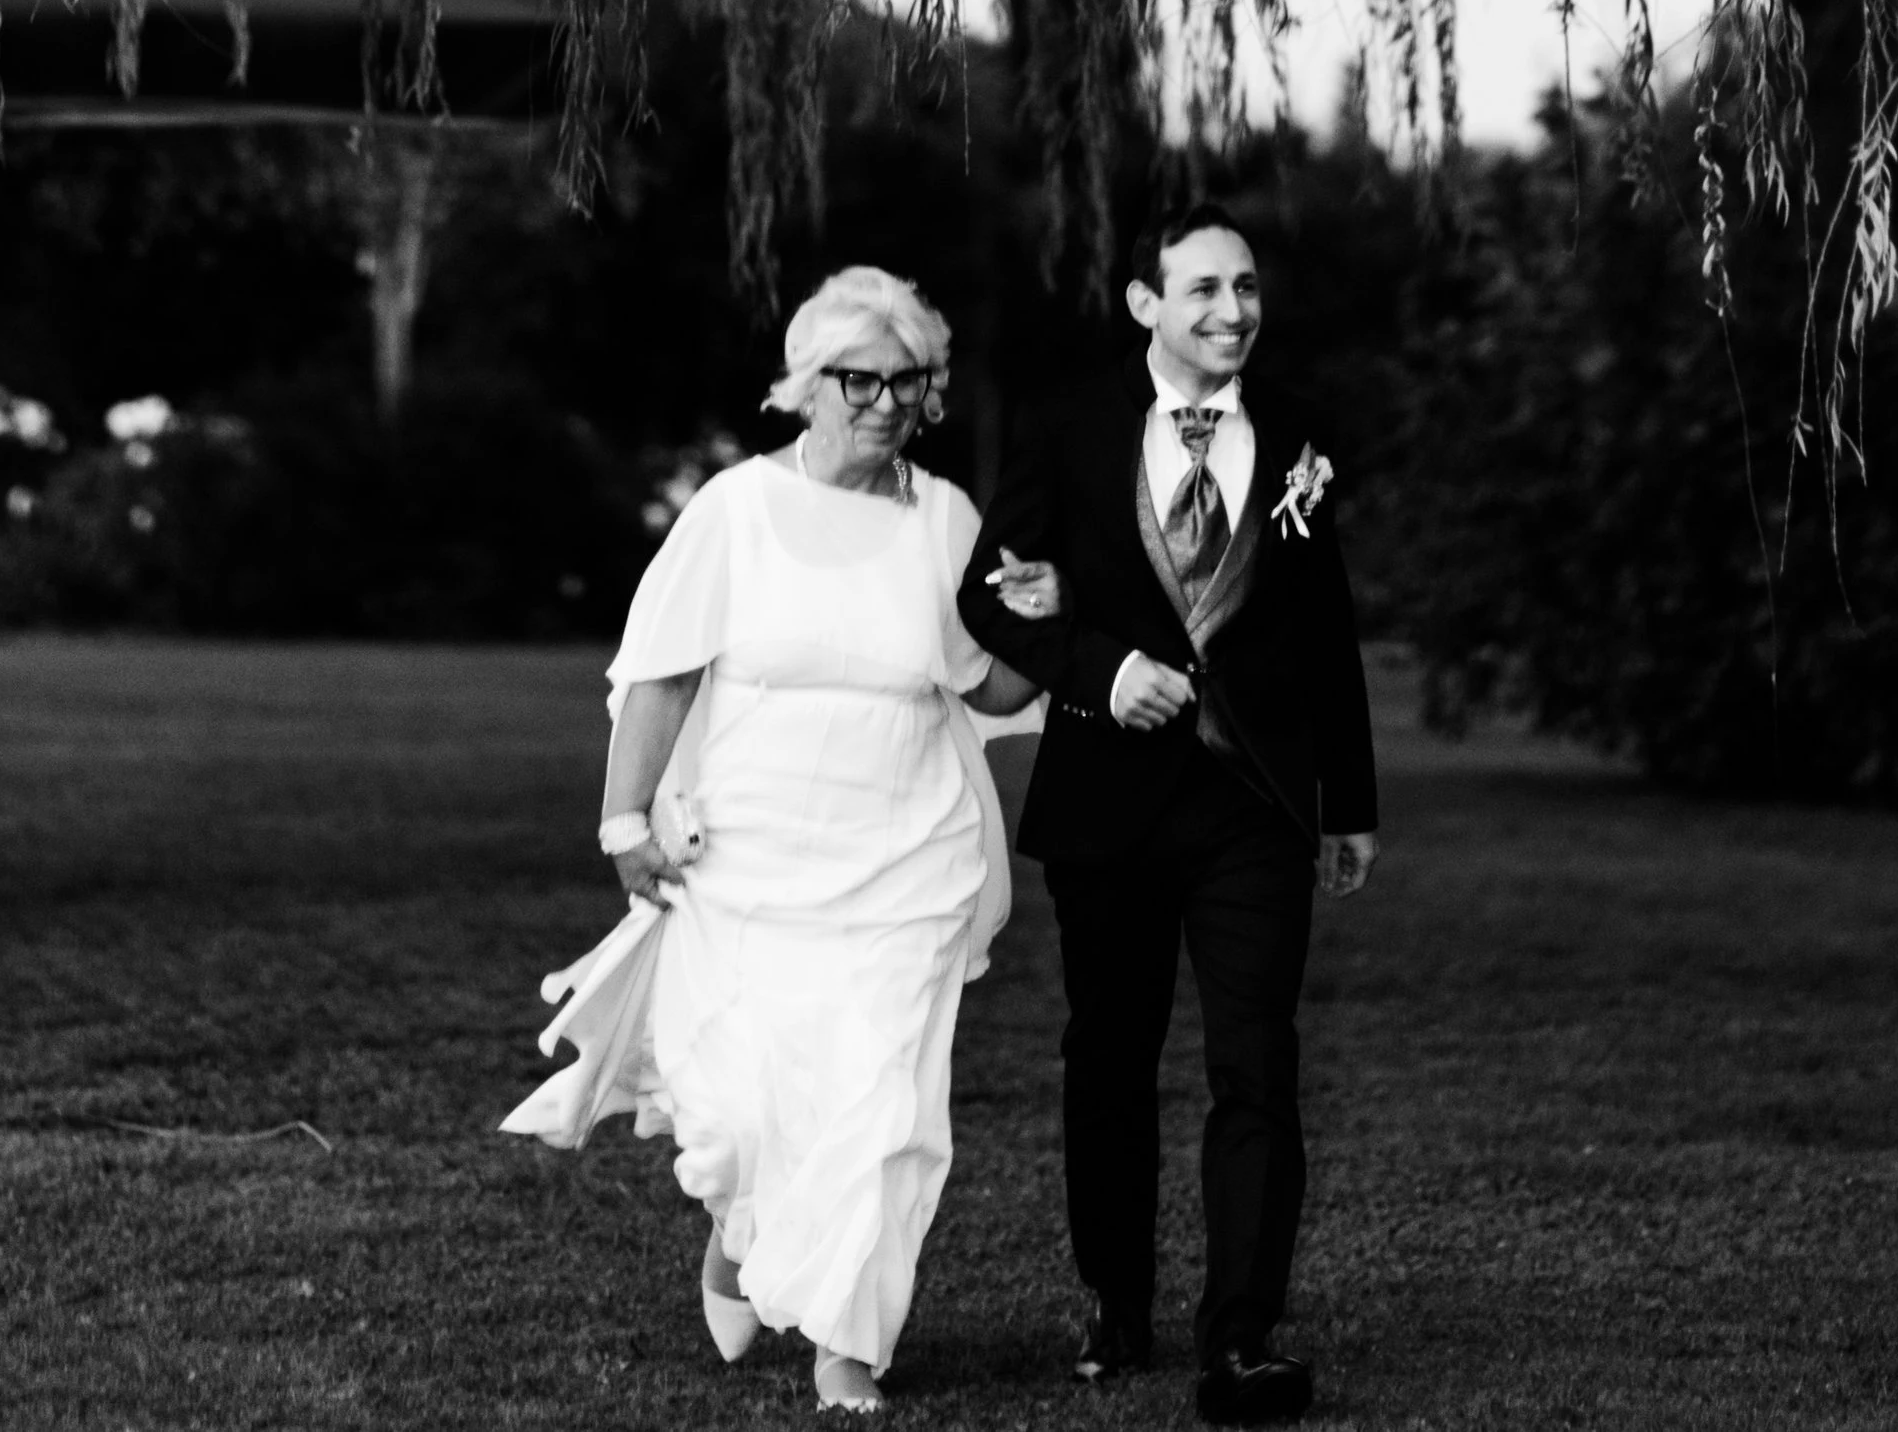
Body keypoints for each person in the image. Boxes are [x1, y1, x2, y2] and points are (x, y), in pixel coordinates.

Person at [503, 266, 1050, 1415]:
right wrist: (622, 819)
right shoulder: (736, 510)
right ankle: (739, 1230)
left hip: (907, 860)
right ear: (808, 385)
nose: (886, 403)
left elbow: (991, 690)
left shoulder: (946, 519)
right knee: (744, 1113)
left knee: (885, 1113)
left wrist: (1038, 628)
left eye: (910, 382)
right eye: (861, 380)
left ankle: (849, 1344)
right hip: (749, 860)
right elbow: (660, 673)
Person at [955, 200, 1379, 1428]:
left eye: (1246, 288)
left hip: (1255, 808)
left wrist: (1345, 801)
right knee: (1109, 1060)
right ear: (1146, 303)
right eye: (1201, 290)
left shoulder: (1300, 436)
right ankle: (1114, 1301)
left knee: (1257, 1066)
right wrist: (1094, 668)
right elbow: (991, 599)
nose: (1231, 312)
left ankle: (1239, 1337)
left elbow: (1323, 624)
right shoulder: (1072, 429)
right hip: (1109, 801)